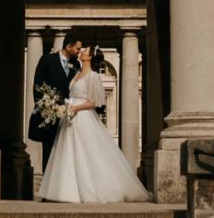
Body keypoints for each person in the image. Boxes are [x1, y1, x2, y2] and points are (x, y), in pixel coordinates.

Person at [37, 45, 151, 204]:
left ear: (89, 57)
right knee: (67, 153)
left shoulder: (94, 76)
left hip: (82, 116)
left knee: (85, 154)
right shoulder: (76, 73)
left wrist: (75, 107)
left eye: (85, 50)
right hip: (69, 117)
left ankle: (90, 189)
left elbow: (94, 102)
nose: (82, 50)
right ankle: (67, 191)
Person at [30, 34, 81, 168]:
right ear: (68, 46)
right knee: (49, 150)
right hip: (50, 114)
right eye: (77, 48)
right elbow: (38, 85)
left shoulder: (76, 64)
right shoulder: (47, 59)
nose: (79, 52)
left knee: (66, 151)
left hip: (68, 116)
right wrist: (45, 108)